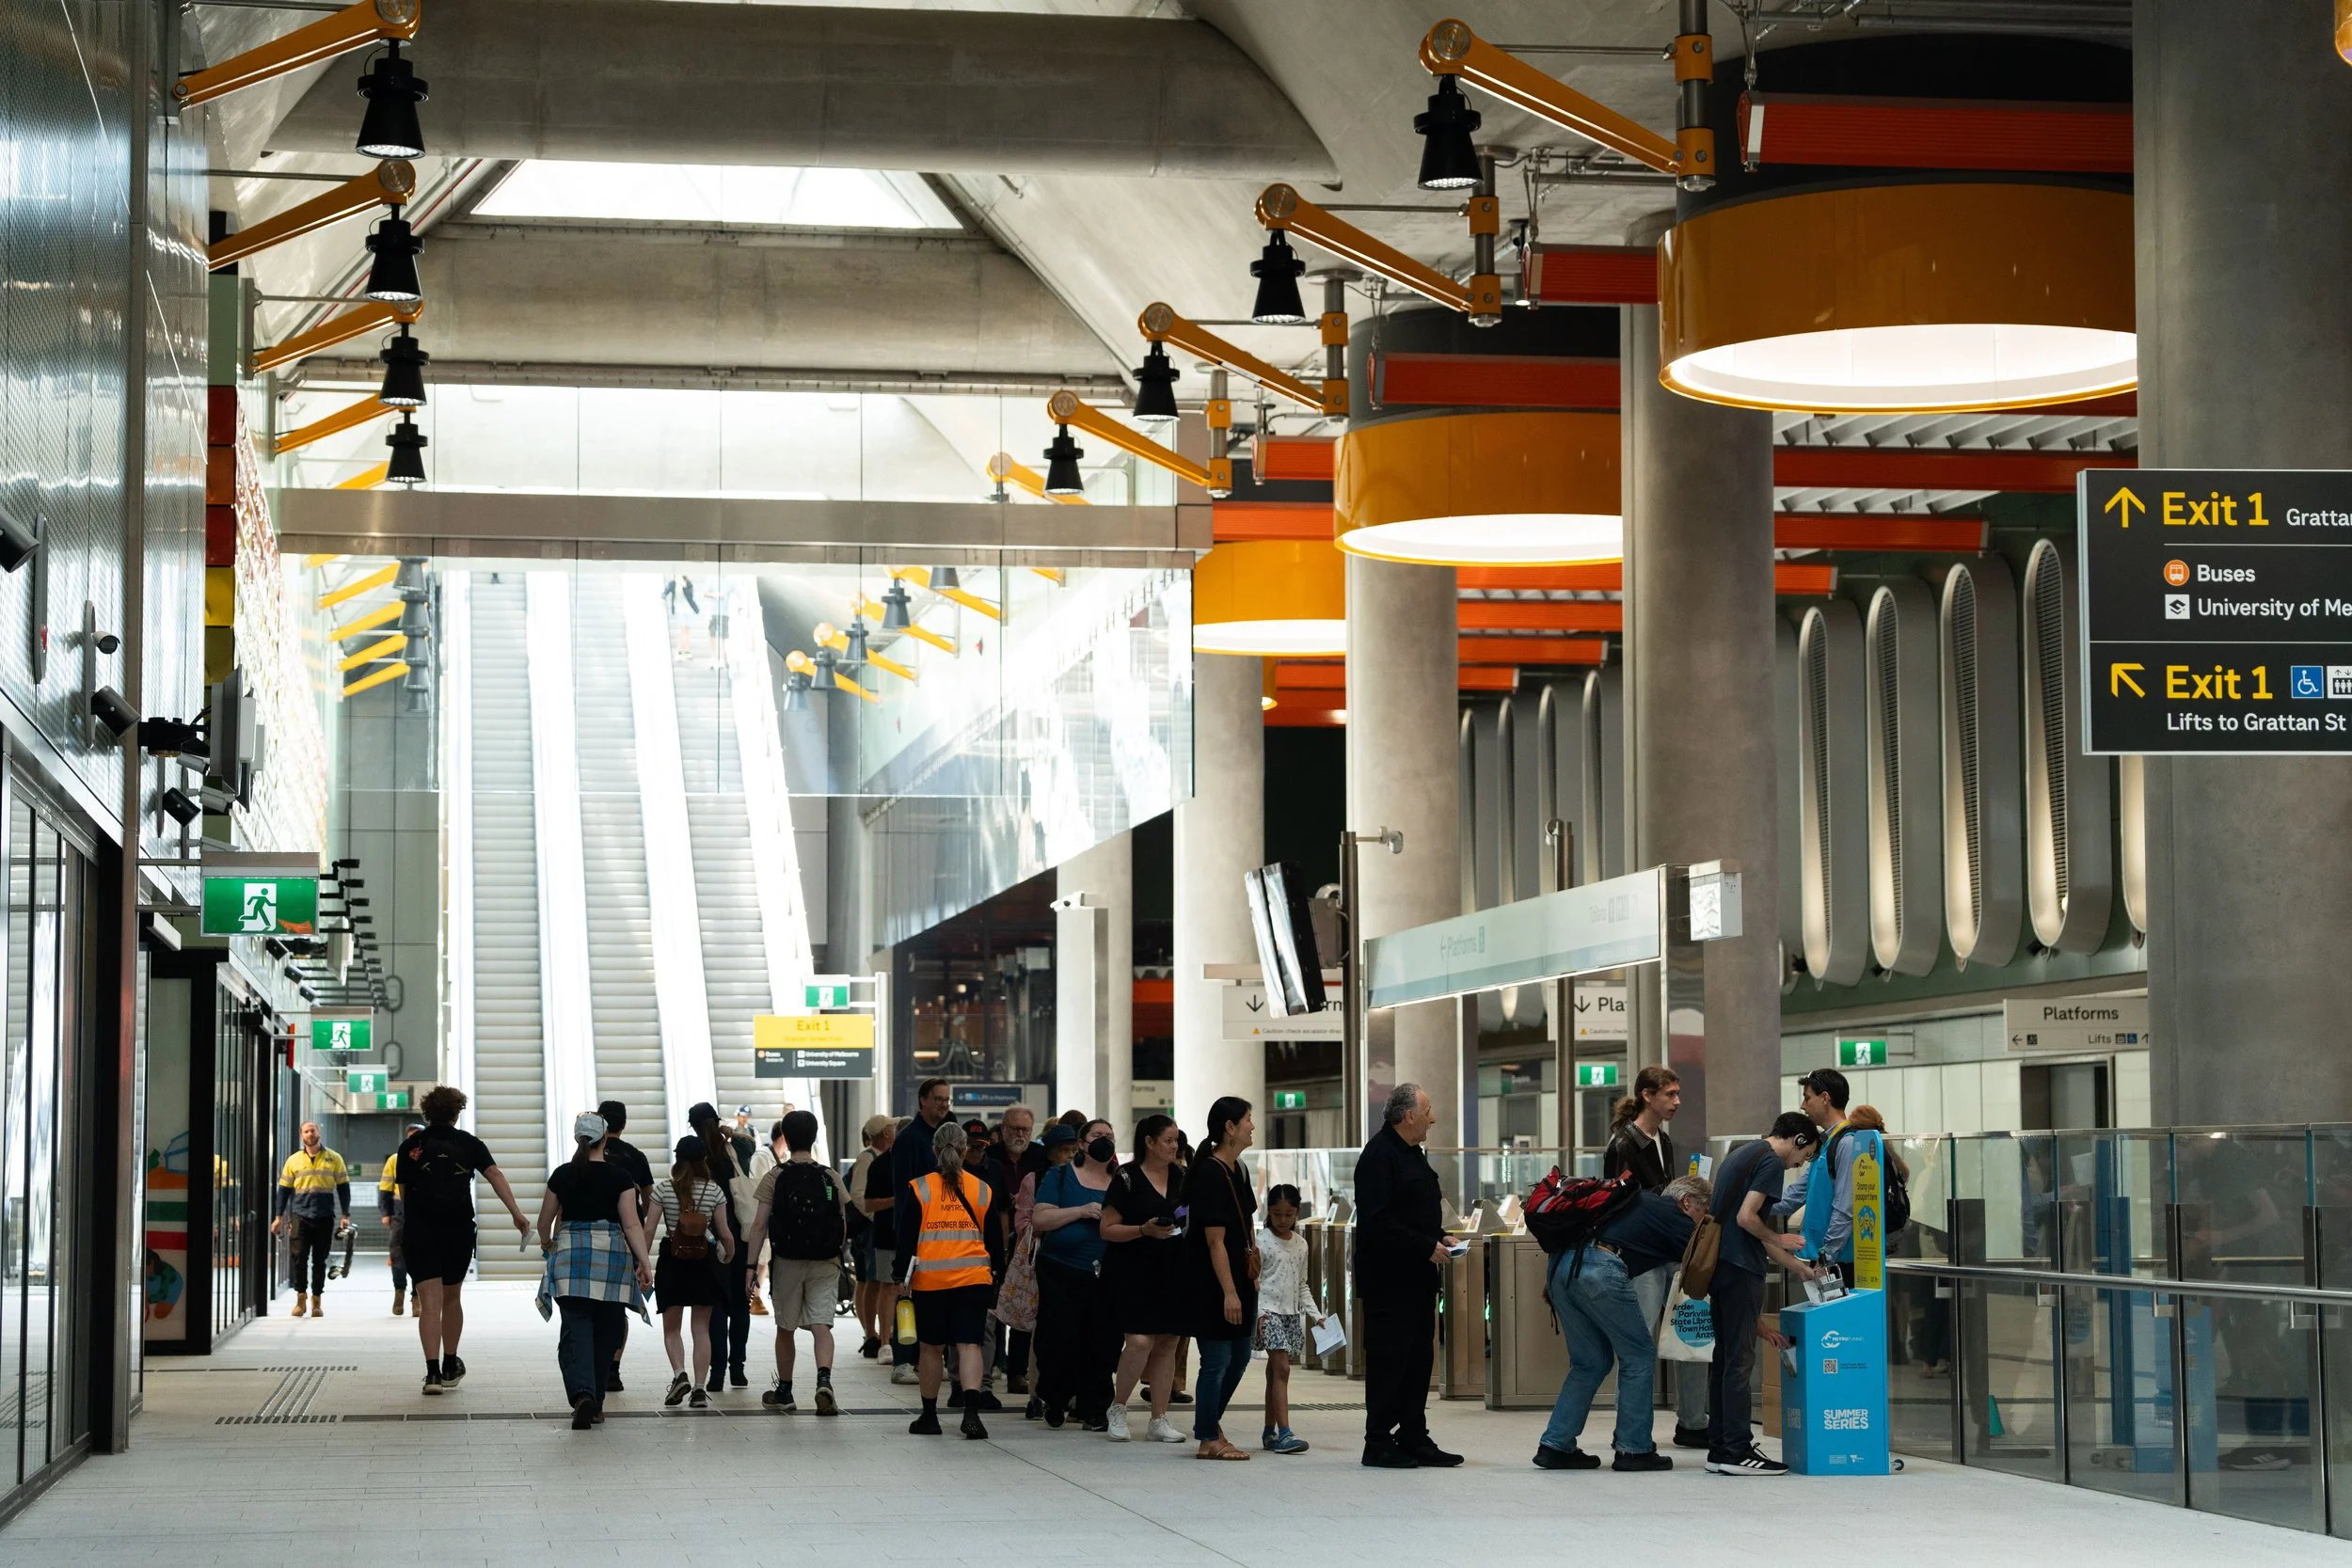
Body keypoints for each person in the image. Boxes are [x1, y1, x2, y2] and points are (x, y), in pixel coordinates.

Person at [1534, 1174, 1711, 1473]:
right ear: (1687, 1201)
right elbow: (1704, 1264)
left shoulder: (1636, 1201)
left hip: (1561, 1269)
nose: (1701, 1222)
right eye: (1703, 1212)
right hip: (1599, 1269)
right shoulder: (1674, 1217)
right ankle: (1634, 1449)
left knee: (1590, 1362)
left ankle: (1555, 1445)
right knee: (1639, 1355)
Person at [1707, 1112, 1823, 1476]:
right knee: (1740, 1361)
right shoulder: (1771, 1161)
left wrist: (1799, 1267)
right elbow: (1748, 1219)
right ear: (1799, 1140)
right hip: (1741, 1271)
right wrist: (1781, 1237)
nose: (1799, 1164)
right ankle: (1737, 1450)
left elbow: (1748, 1230)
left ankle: (1721, 1447)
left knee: (1726, 1358)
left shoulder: (1743, 1153)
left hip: (1722, 1267)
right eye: (1804, 1156)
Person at [397, 1086, 532, 1395]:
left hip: (420, 1231)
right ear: (457, 1112)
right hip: (456, 1230)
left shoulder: (410, 1146)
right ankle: (450, 1364)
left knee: (429, 1304)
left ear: (427, 1113)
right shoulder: (469, 1143)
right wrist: (516, 1213)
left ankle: (431, 1375)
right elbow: (495, 1175)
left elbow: (404, 1194)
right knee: (451, 1298)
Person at [1354, 1083, 1460, 1469]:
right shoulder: (1378, 1156)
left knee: (1418, 1360)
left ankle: (1413, 1435)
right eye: (1428, 1111)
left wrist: (1438, 1237)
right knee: (1388, 1361)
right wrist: (1422, 1245)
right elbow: (1377, 1219)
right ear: (1409, 1115)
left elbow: (1413, 1211)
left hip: (1417, 1280)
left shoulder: (1413, 1154)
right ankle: (1378, 1441)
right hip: (1389, 1281)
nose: (1433, 1118)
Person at [1604, 1066, 1708, 1449]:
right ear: (1647, 1095)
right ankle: (1630, 1430)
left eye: (1678, 1093)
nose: (1677, 1101)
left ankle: (1694, 1421)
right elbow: (1619, 1202)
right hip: (1644, 1254)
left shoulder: (1662, 1140)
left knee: (1692, 1329)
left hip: (1672, 1248)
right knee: (1640, 1340)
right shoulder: (1623, 1144)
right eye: (1670, 1094)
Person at [534, 1112, 653, 1430]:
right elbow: (631, 1223)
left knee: (576, 1330)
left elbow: (543, 1223)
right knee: (607, 1333)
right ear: (604, 1139)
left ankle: (582, 1394)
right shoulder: (620, 1177)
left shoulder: (562, 1175)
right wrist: (644, 1261)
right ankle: (597, 1402)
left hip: (571, 1260)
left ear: (578, 1140)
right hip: (612, 1261)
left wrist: (548, 1245)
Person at [745, 1111, 849, 1416]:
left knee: (785, 1326)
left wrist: (751, 1268)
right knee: (821, 1324)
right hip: (825, 1259)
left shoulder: (775, 1177)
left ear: (786, 1139)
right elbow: (843, 1223)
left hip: (787, 1260)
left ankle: (786, 1391)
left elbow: (759, 1224)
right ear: (814, 1137)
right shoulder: (830, 1176)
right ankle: (824, 1381)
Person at [901, 1120, 996, 1439]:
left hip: (931, 1281)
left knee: (931, 1349)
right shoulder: (982, 1189)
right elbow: (995, 1241)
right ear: (965, 1148)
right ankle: (971, 1415)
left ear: (934, 1150)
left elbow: (906, 1241)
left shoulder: (920, 1188)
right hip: (974, 1279)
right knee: (969, 1345)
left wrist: (901, 1276)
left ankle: (930, 1418)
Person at [1101, 1114, 1188, 1445]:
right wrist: (1143, 1230)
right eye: (1167, 1140)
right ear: (1149, 1142)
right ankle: (1118, 1408)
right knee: (1138, 1341)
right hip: (1132, 1270)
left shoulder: (1182, 1176)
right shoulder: (1127, 1177)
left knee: (1168, 1342)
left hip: (1171, 1269)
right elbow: (1106, 1229)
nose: (1174, 1146)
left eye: (1176, 1140)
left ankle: (1159, 1418)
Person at [1028, 1121, 1119, 1429]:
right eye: (1097, 1136)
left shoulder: (1122, 1180)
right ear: (1082, 1143)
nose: (1104, 1141)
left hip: (1106, 1274)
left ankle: (1095, 1408)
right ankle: (1056, 1398)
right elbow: (1040, 1217)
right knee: (1061, 1340)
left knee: (1102, 1342)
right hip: (1060, 1271)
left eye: (1109, 1136)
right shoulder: (1061, 1175)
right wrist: (1081, 1211)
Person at [1185, 1096, 1260, 1461]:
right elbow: (1214, 1241)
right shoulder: (1210, 1172)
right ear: (1229, 1128)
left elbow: (1247, 1224)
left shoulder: (1238, 1168)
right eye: (1247, 1120)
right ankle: (1207, 1437)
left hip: (1240, 1278)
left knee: (1241, 1355)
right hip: (1214, 1282)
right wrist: (1229, 1292)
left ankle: (1211, 1425)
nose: (1252, 1126)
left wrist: (1252, 1272)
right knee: (1216, 1360)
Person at [648, 1133, 738, 1409]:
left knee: (672, 1328)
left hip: (672, 1260)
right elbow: (725, 1234)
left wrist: (641, 1262)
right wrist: (729, 1257)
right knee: (701, 1328)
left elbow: (648, 1229)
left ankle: (679, 1374)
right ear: (703, 1160)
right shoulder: (714, 1191)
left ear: (677, 1159)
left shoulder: (663, 1189)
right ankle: (699, 1388)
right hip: (704, 1261)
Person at [1783, 1069, 1883, 1288]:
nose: (1802, 1106)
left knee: (1842, 1323)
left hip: (1839, 1263)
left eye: (1807, 1098)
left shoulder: (1847, 1143)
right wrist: (1748, 1200)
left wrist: (1826, 1258)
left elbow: (1845, 1209)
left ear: (1825, 1098)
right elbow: (1795, 1195)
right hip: (1824, 1259)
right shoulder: (1826, 1145)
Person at [890, 1078, 957, 1386]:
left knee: (937, 1298)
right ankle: (903, 1359)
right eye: (938, 1099)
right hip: (916, 1230)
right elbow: (904, 1194)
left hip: (946, 1231)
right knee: (908, 1294)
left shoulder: (949, 1137)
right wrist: (909, 1235)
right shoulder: (909, 1139)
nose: (944, 1104)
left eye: (947, 1099)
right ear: (923, 1101)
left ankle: (931, 1355)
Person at [689, 1101, 756, 1389]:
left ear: (692, 1126)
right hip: (739, 1236)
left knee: (713, 1306)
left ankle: (716, 1374)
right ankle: (737, 1369)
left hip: (707, 1239)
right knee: (740, 1303)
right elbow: (751, 1143)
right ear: (717, 1122)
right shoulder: (736, 1150)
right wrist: (729, 1132)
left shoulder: (695, 1154)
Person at [596, 1100, 656, 1393]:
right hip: (626, 1238)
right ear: (624, 1124)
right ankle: (613, 1369)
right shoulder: (636, 1157)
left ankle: (595, 1361)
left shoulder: (587, 1154)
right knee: (618, 1305)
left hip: (593, 1237)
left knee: (592, 1303)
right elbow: (648, 1198)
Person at [1255, 1183, 1315, 1455]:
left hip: (1291, 1313)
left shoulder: (1301, 1244)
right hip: (1267, 1311)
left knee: (1275, 1371)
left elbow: (1303, 1284)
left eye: (1289, 1214)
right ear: (1269, 1211)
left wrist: (1317, 1315)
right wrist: (1258, 1313)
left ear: (1297, 1213)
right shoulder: (1261, 1241)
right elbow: (1254, 1281)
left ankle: (1269, 1431)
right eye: (1277, 1214)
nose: (1283, 1220)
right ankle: (1285, 1432)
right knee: (1282, 1368)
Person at [272, 1121, 351, 1320]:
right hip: (300, 1216)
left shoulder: (334, 1158)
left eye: (312, 1130)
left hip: (325, 1216)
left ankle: (317, 1301)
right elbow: (283, 1191)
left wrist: (345, 1214)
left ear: (319, 1133)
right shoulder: (293, 1161)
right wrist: (278, 1216)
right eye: (306, 1131)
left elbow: (343, 1188)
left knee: (319, 1261)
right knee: (299, 1259)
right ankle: (300, 1299)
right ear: (302, 1135)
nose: (309, 1134)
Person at [996, 1104, 1043, 1392]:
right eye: (1014, 1128)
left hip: (1029, 1245)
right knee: (997, 1305)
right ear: (1003, 1130)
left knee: (1025, 1305)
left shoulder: (1039, 1158)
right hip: (999, 1239)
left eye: (1025, 1129)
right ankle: (992, 1364)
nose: (1020, 1134)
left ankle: (1017, 1371)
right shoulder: (991, 1158)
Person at [849, 1115, 895, 1356]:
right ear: (885, 1134)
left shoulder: (881, 1157)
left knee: (876, 1280)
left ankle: (875, 1334)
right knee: (871, 1280)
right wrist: (875, 1216)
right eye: (892, 1127)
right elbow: (857, 1194)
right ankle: (870, 1334)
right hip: (871, 1227)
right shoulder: (868, 1158)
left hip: (876, 1225)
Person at [377, 1125, 421, 1317]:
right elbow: (385, 1189)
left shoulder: (430, 1158)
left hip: (423, 1214)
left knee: (421, 1258)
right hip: (399, 1214)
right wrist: (385, 1213)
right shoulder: (394, 1160)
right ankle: (399, 1292)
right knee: (397, 1255)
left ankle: (417, 1298)